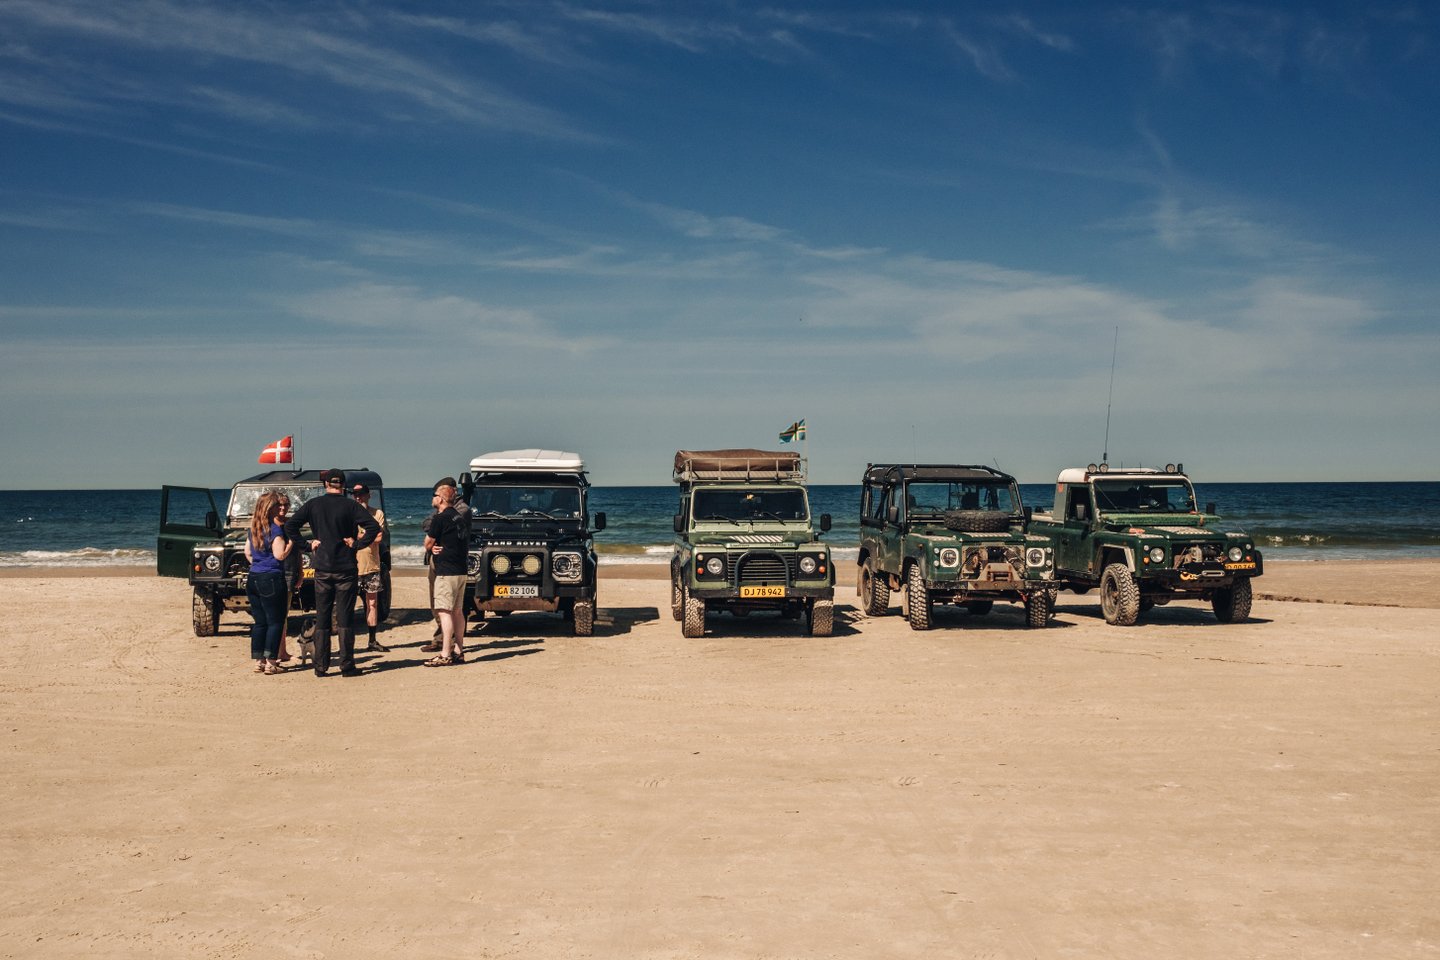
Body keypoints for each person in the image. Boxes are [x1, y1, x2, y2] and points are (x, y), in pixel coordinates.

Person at [284, 469, 380, 677]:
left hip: (323, 568)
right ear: (343, 485)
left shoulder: (314, 504)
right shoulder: (351, 505)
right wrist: (357, 544)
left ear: (326, 484)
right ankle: (347, 666)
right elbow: (373, 527)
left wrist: (307, 545)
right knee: (345, 619)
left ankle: (321, 666)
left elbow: (290, 526)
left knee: (323, 617)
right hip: (346, 568)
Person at [244, 491, 292, 675]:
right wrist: (291, 543)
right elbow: (280, 555)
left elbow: (248, 553)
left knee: (260, 622)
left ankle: (259, 661)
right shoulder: (275, 530)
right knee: (275, 621)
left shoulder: (254, 529)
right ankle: (272, 662)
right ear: (270, 508)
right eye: (276, 506)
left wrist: (258, 564)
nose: (280, 508)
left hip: (254, 577)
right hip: (271, 577)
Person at [421, 477, 472, 653]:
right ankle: (444, 640)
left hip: (450, 564)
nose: (433, 498)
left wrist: (437, 524)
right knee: (440, 603)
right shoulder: (448, 513)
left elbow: (433, 529)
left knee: (447, 607)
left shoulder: (461, 510)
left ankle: (447, 646)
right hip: (443, 561)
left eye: (435, 495)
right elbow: (426, 523)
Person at [351, 482, 388, 653]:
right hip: (352, 566)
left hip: (372, 565)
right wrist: (368, 535)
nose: (358, 497)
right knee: (347, 605)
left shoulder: (377, 514)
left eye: (361, 494)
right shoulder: (350, 514)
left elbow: (379, 538)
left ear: (368, 495)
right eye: (355, 494)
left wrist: (359, 536)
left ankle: (372, 640)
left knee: (372, 603)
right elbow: (347, 536)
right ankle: (348, 642)